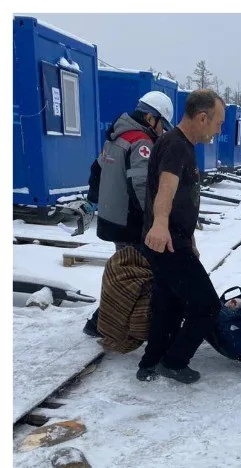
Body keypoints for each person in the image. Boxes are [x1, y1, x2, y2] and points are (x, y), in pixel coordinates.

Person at [137, 89, 226, 384]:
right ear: (202, 117)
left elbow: (184, 199)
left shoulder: (181, 145)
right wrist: (160, 224)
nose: (219, 129)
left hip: (175, 239)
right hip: (168, 241)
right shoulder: (176, 146)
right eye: (218, 123)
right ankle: (174, 362)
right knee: (207, 306)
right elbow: (166, 190)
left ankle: (151, 362)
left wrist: (191, 237)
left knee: (170, 304)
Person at [82, 91, 173, 337]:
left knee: (124, 271)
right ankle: (105, 323)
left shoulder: (116, 136)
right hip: (130, 221)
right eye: (161, 124)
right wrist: (156, 221)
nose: (162, 131)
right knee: (132, 275)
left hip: (113, 218)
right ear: (149, 117)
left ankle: (107, 321)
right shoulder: (141, 141)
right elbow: (141, 186)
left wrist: (95, 200)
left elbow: (96, 169)